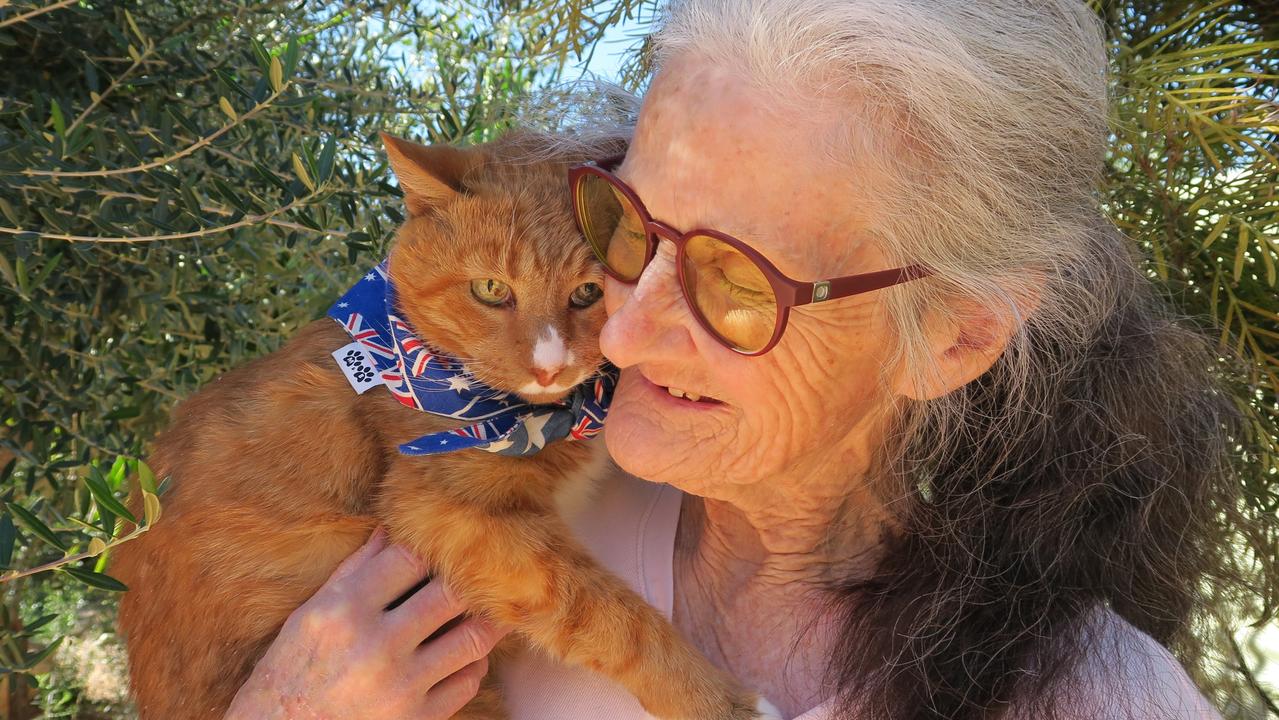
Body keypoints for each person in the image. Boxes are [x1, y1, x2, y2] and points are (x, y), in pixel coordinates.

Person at [226, 0, 1249, 718]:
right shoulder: (515, 499)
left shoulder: (1097, 701)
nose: (620, 335)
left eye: (735, 280)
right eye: (626, 226)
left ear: (956, 336)